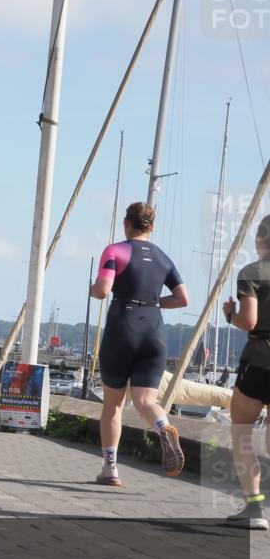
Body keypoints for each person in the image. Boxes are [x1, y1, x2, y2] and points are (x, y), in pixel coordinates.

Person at [90, 202, 189, 487]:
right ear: (152, 227)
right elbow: (183, 298)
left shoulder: (116, 251)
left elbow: (103, 289)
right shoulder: (163, 258)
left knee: (113, 405)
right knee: (146, 401)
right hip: (155, 330)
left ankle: (110, 469)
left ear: (127, 223)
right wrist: (155, 302)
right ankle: (162, 427)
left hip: (124, 326)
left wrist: (93, 290)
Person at [223, 214, 270, 529]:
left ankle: (254, 508)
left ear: (260, 240)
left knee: (241, 434)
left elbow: (249, 322)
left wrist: (230, 315)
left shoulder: (252, 272)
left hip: (260, 359)